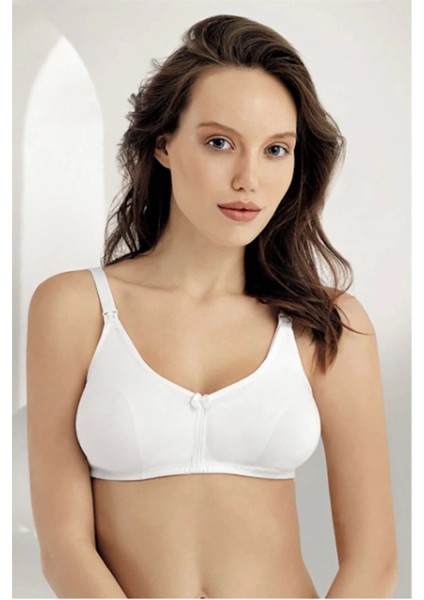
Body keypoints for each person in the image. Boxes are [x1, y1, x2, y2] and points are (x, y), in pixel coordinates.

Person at [26, 13, 398, 599]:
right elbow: (63, 548)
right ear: (164, 144)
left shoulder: (328, 325)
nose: (248, 178)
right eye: (220, 142)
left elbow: (374, 564)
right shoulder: (75, 308)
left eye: (276, 149)